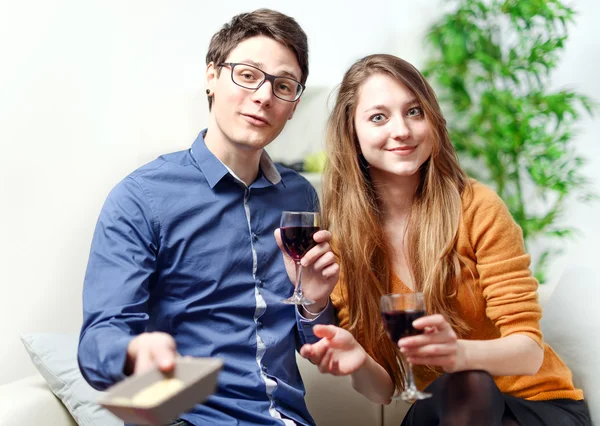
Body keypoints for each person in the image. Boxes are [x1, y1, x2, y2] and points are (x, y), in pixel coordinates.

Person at [77, 9, 339, 426]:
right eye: (248, 75)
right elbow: (98, 340)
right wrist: (133, 353)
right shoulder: (142, 198)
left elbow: (315, 346)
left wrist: (315, 301)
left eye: (283, 86)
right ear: (211, 77)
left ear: (292, 106)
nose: (264, 96)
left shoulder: (300, 195)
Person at [299, 53, 591, 426]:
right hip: (449, 409)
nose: (401, 130)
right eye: (378, 117)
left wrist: (458, 354)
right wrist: (357, 360)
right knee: (455, 392)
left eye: (414, 112)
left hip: (535, 407)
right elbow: (385, 389)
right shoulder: (346, 243)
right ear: (352, 136)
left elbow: (528, 351)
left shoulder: (477, 208)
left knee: (469, 382)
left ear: (432, 121)